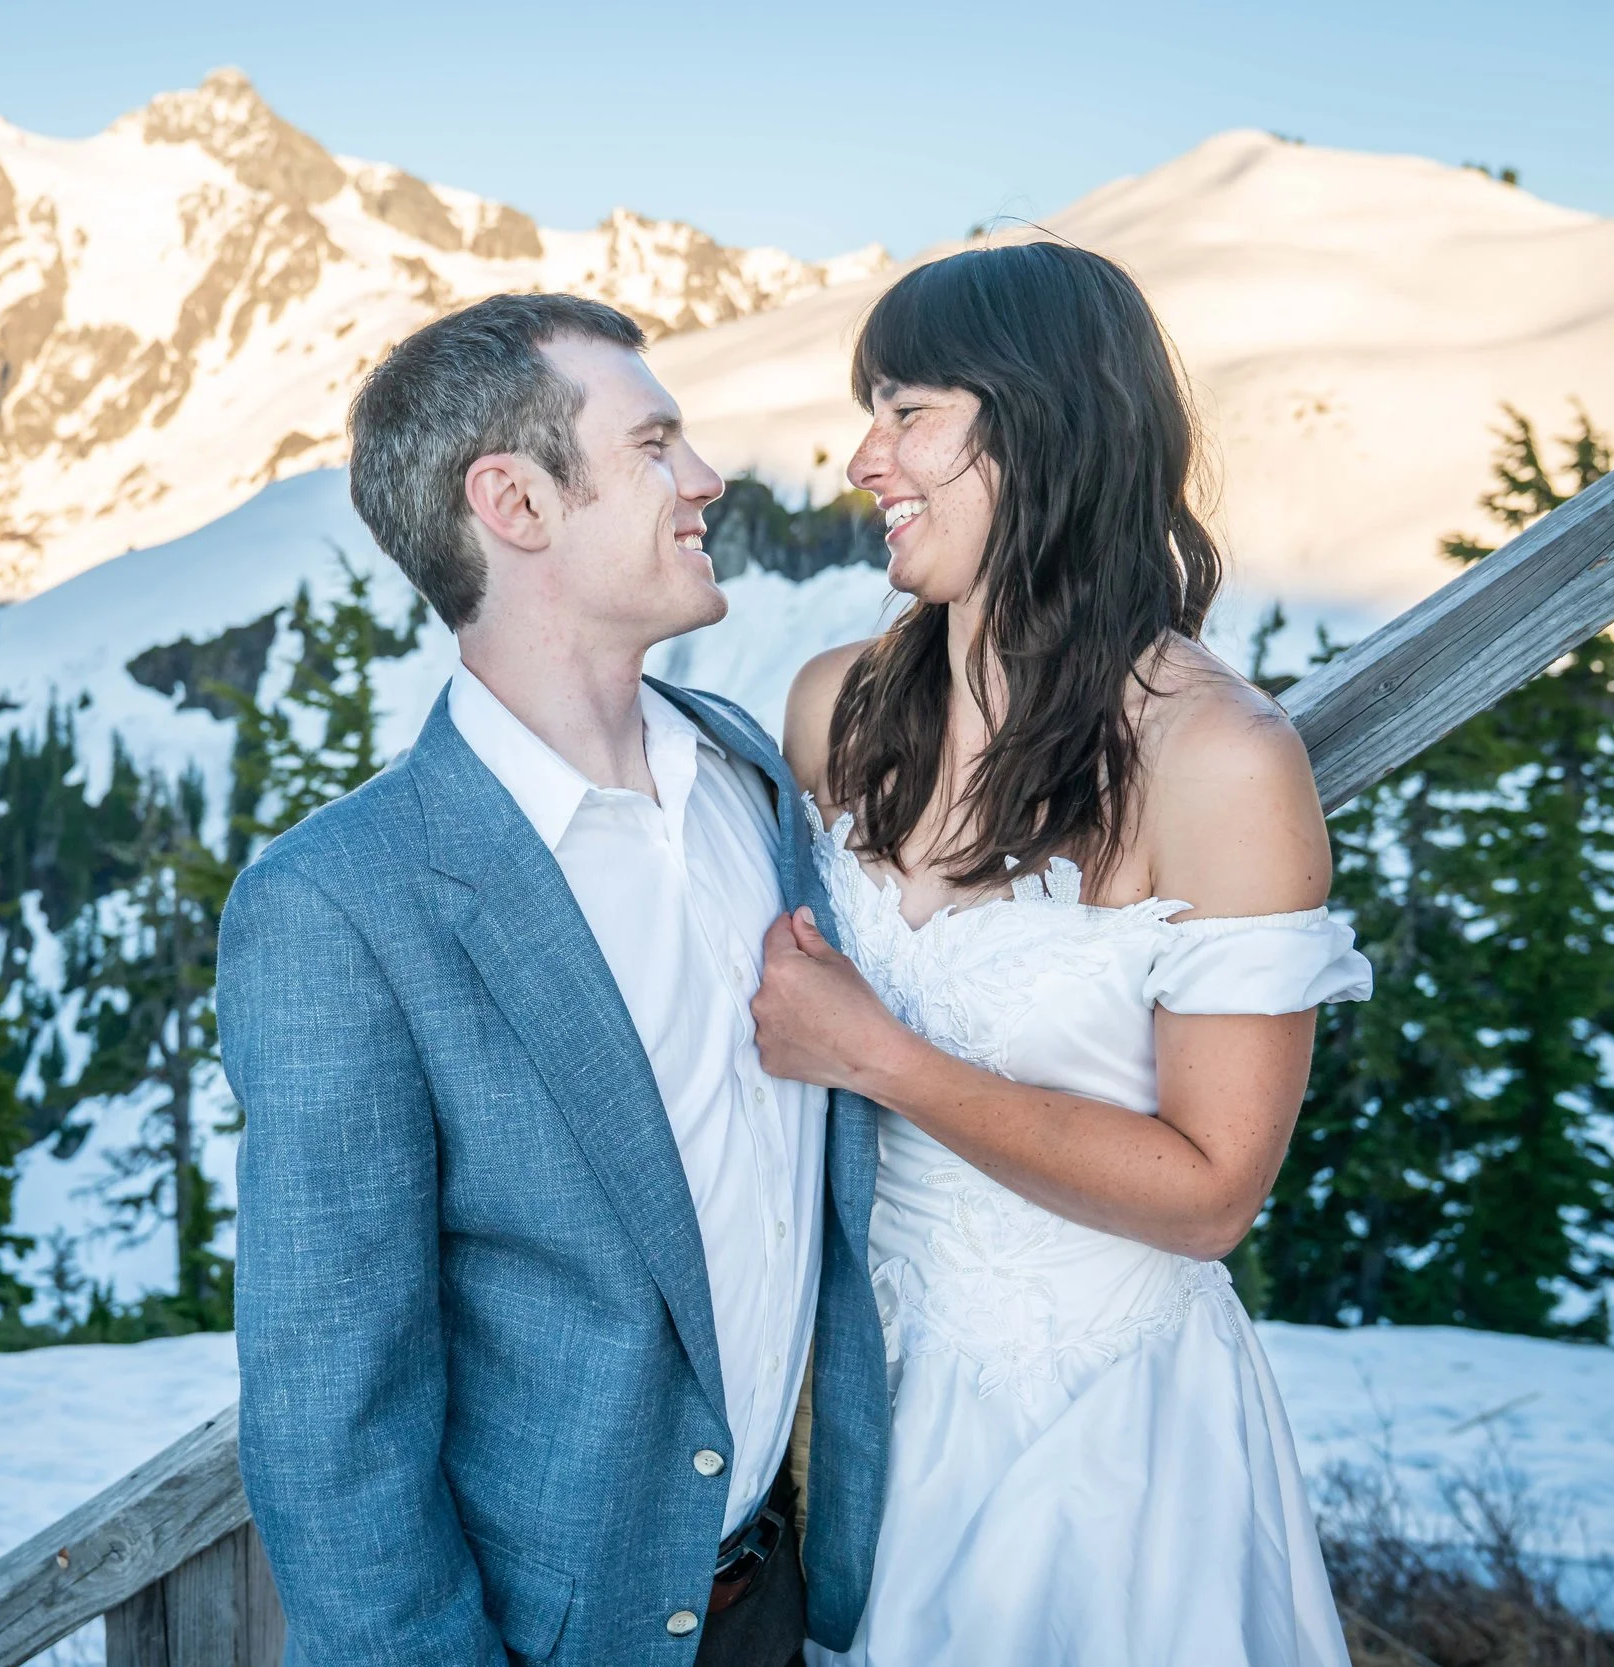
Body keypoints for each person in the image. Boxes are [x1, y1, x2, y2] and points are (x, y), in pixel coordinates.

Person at [218, 293, 889, 1667]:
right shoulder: (340, 902)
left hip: (788, 1601)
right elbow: (330, 1415)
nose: (705, 478)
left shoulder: (752, 778)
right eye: (656, 445)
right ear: (514, 500)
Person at [751, 243, 1372, 1666]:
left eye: (908, 411)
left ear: (1043, 422)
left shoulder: (1219, 760)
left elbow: (1213, 1193)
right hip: (858, 1426)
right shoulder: (833, 708)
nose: (864, 457)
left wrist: (885, 1061)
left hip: (1099, 1442)